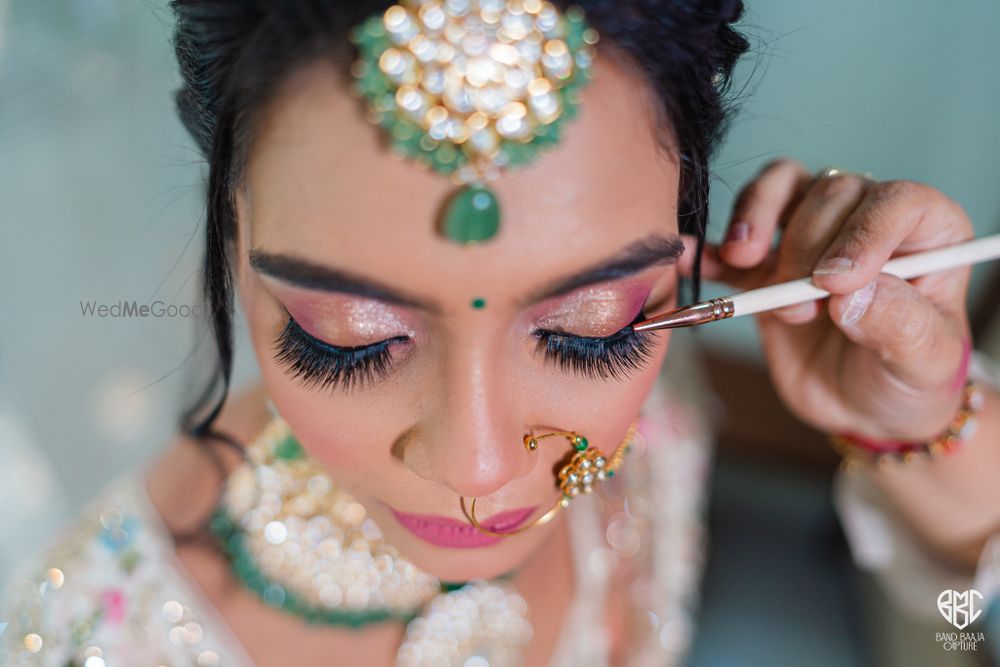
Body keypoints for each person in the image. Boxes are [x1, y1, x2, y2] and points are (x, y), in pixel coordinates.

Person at [3, 1, 999, 665]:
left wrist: (915, 420)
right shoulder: (97, 630)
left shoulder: (665, 388)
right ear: (233, 244)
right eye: (345, 337)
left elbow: (965, 625)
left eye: (585, 331)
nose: (477, 466)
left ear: (682, 251)